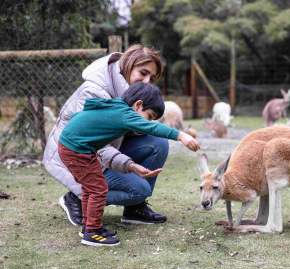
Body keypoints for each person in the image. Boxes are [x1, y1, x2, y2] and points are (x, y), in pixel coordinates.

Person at [43, 44, 172, 226]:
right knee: (140, 189)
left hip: (104, 154)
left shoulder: (131, 93)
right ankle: (77, 199)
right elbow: (94, 145)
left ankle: (135, 209)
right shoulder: (94, 91)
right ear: (128, 64)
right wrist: (129, 164)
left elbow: (127, 129)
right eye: (143, 73)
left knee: (158, 142)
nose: (146, 81)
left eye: (151, 78)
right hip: (78, 158)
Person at [58, 82, 200, 246]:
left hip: (75, 147)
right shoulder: (124, 114)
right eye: (150, 116)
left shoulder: (114, 108)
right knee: (98, 189)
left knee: (91, 188)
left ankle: (89, 226)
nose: (148, 123)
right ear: (138, 105)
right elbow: (151, 128)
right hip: (76, 150)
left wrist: (131, 165)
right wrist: (181, 136)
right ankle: (92, 232)